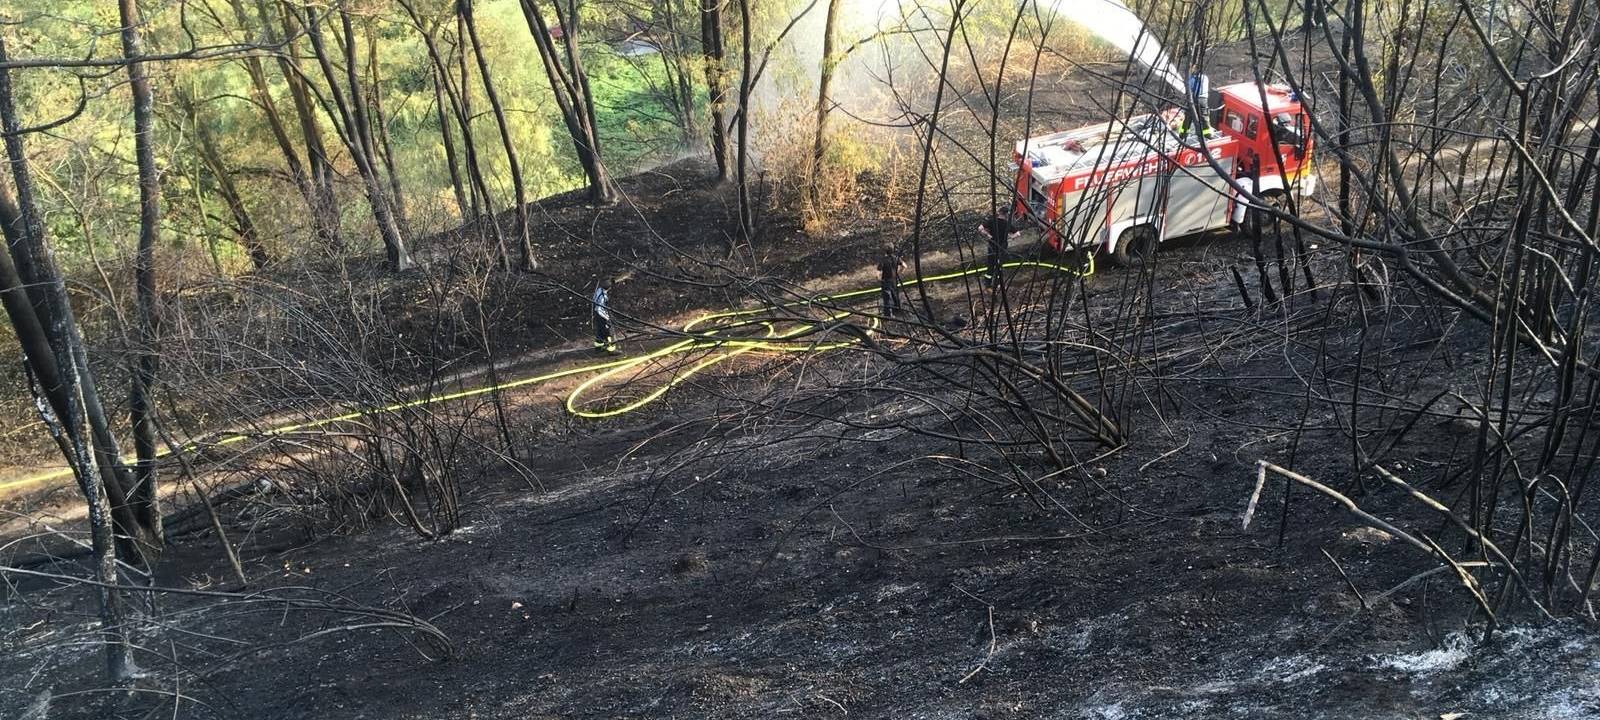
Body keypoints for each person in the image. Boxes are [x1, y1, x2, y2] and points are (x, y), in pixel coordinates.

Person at [977, 210, 1021, 288]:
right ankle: (996, 283)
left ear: (999, 213)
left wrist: (987, 235)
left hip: (992, 246)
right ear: (1006, 215)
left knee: (990, 264)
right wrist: (1011, 237)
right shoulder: (1007, 224)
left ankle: (987, 283)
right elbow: (1018, 234)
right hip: (1002, 248)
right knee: (999, 265)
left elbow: (980, 228)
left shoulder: (991, 221)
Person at [1181, 64, 1212, 138]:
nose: (1192, 70)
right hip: (1204, 100)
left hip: (1195, 99)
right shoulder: (1205, 78)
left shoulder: (1192, 79)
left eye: (1194, 68)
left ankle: (1183, 134)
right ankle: (1208, 134)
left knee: (1188, 117)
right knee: (1204, 117)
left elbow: (1189, 89)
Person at [877, 242, 906, 317]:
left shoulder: (883, 260)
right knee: (895, 295)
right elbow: (905, 266)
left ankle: (888, 315)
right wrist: (898, 273)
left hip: (886, 281)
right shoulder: (896, 258)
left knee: (887, 298)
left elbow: (878, 274)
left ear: (885, 251)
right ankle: (898, 310)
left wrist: (879, 279)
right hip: (894, 280)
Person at [591, 278, 617, 354]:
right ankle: (611, 350)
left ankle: (598, 347)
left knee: (600, 331)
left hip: (597, 315)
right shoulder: (602, 296)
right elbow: (599, 309)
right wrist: (607, 318)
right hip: (601, 316)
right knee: (609, 332)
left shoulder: (598, 290)